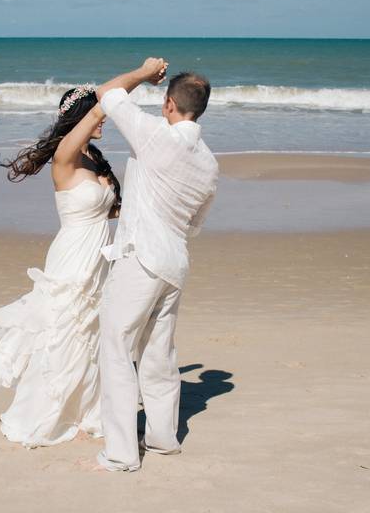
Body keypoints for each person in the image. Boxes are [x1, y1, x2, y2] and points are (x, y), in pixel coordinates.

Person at [93, 58, 219, 471]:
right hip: (175, 262)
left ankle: (123, 453)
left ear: (169, 104)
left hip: (142, 259)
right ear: (199, 109)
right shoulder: (209, 163)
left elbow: (107, 95)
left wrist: (142, 73)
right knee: (159, 354)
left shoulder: (153, 136)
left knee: (115, 347)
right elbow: (196, 224)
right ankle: (163, 439)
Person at [0, 86, 122, 447]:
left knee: (90, 336)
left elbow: (112, 211)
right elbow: (98, 107)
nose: (103, 118)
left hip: (98, 259)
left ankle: (86, 411)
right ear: (81, 117)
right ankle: (44, 413)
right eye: (95, 114)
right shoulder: (65, 156)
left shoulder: (95, 158)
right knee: (63, 333)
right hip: (72, 257)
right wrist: (141, 74)